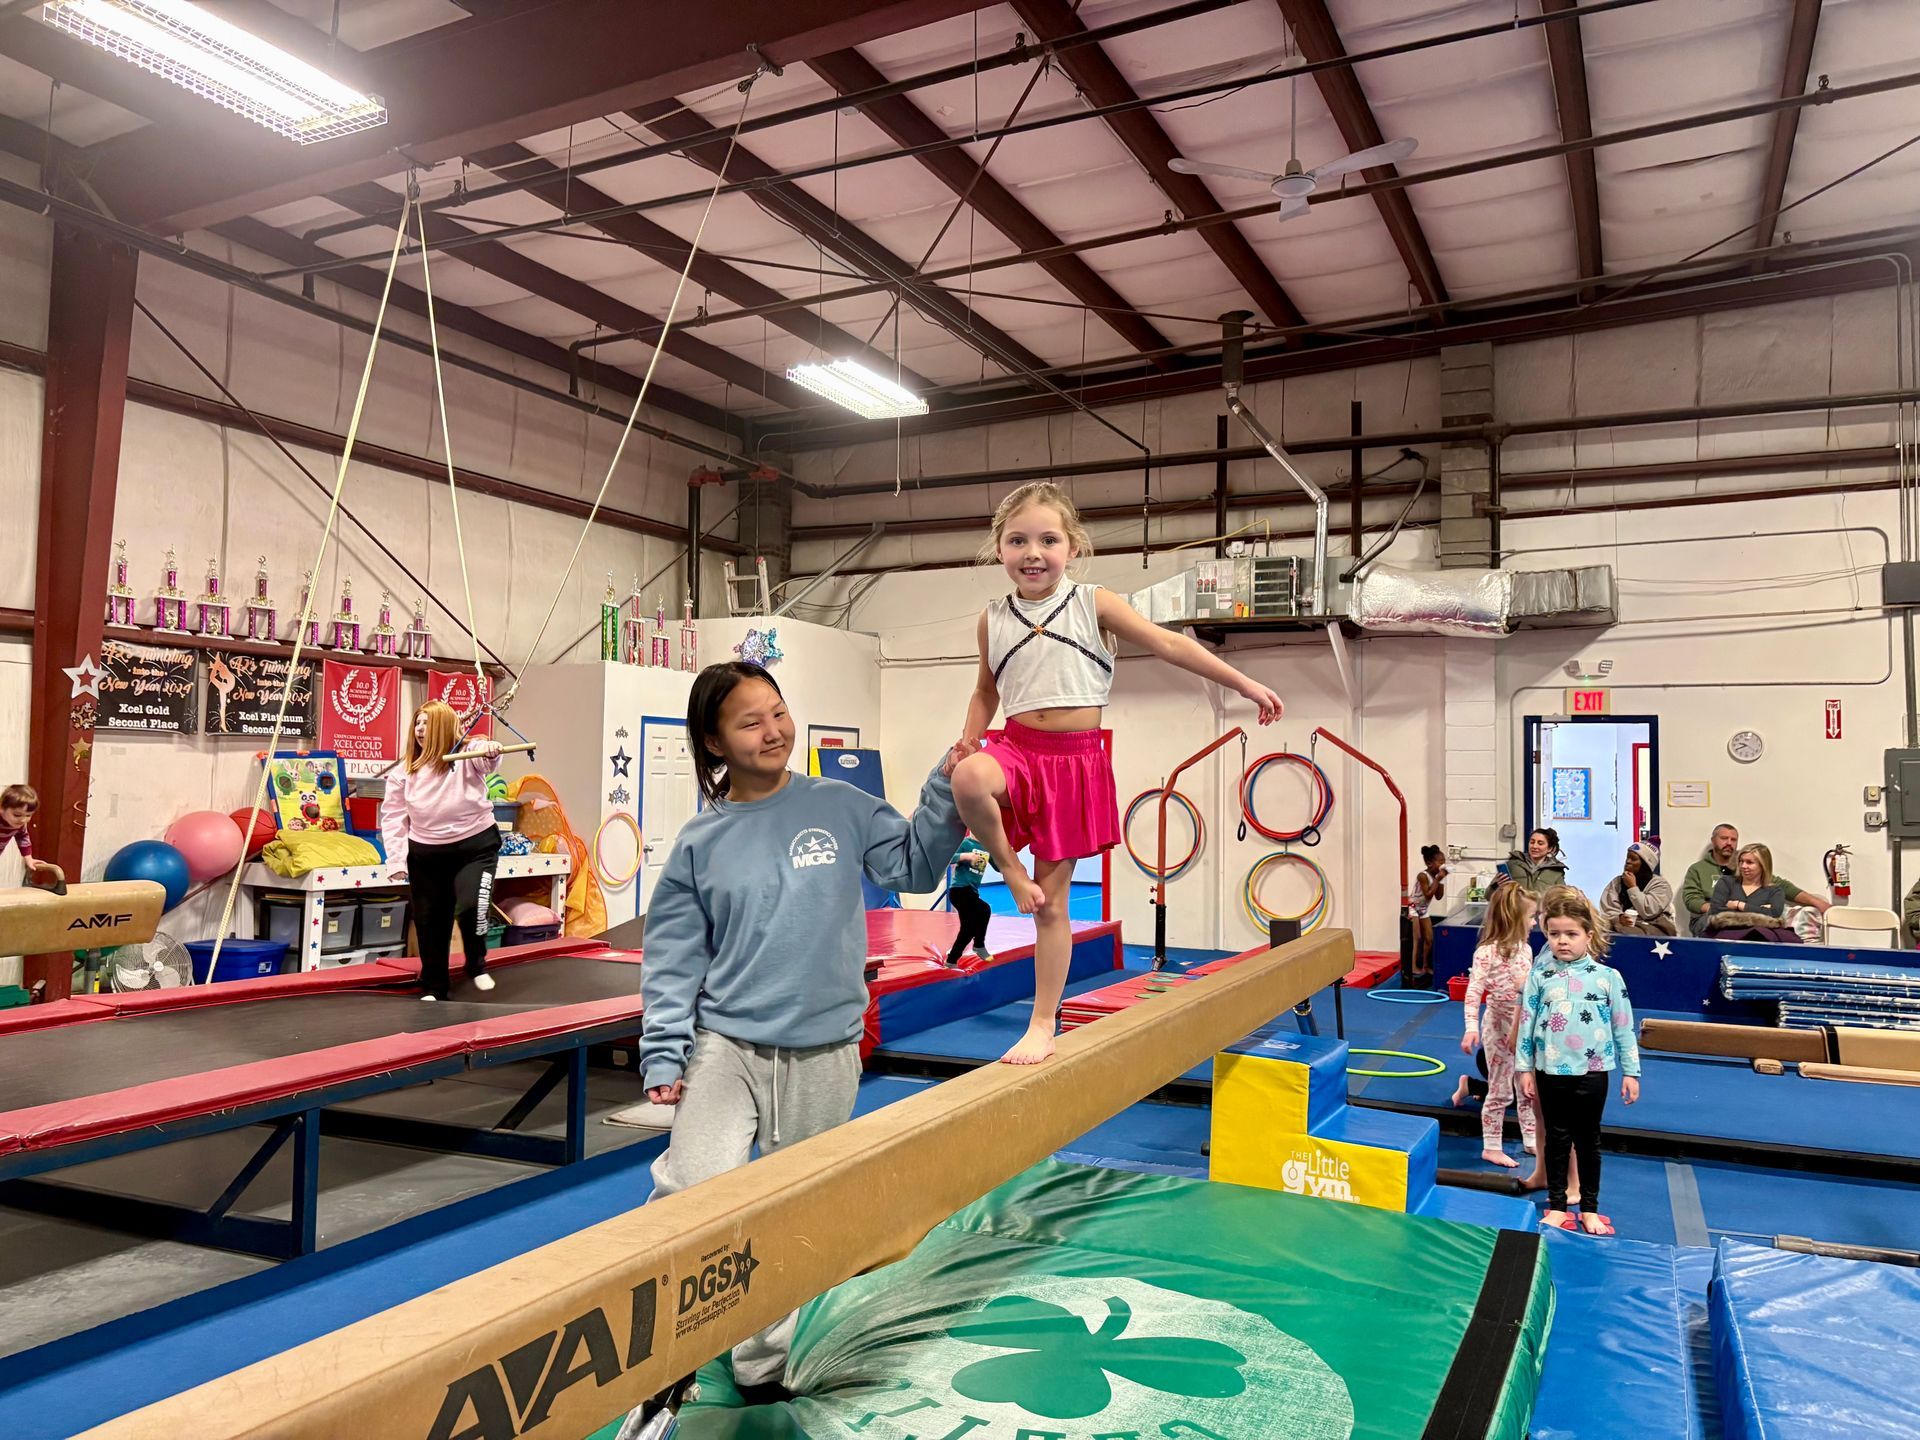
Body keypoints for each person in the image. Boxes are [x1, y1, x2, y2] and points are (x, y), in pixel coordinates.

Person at [639, 661, 962, 1404]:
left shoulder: (839, 804)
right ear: (714, 743)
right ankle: (662, 1354)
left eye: (778, 712)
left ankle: (759, 1364)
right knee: (691, 1193)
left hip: (825, 1049)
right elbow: (673, 956)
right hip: (728, 1044)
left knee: (787, 1215)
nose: (773, 731)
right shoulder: (702, 841)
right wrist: (664, 1046)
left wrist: (945, 786)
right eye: (749, 722)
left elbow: (912, 865)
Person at [946, 481, 1283, 1065]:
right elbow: (985, 689)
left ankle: (1042, 1024)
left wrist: (1244, 683)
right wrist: (970, 737)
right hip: (1018, 749)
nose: (1033, 552)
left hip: (1074, 762)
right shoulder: (991, 619)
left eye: (1048, 540)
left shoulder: (1092, 602)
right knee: (970, 777)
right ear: (998, 548)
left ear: (1071, 547)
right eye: (1018, 540)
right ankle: (1008, 870)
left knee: (1052, 907)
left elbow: (1169, 646)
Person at [1516, 886, 1641, 1236]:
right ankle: (1557, 1206)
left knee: (1588, 1140)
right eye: (1554, 934)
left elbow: (1624, 1028)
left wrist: (1631, 1072)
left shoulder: (1607, 979)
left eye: (1571, 934)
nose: (1562, 942)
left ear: (1589, 934)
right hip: (1550, 1070)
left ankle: (1589, 1208)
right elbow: (1526, 1025)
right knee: (1556, 1139)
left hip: (1592, 1070)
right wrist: (1524, 1068)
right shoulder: (1540, 977)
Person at [381, 701, 505, 1001]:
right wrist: (396, 859)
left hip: (474, 847)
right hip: (426, 855)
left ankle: (476, 964)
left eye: (427, 723)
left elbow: (486, 759)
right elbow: (393, 816)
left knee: (471, 905)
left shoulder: (465, 756)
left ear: (443, 729)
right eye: (417, 723)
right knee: (429, 922)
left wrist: (491, 749)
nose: (420, 729)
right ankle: (436, 986)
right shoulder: (404, 770)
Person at [1455, 883, 1540, 1168]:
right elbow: (1474, 990)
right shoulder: (1486, 953)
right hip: (1497, 1027)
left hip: (1522, 1026)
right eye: (1531, 916)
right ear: (1514, 918)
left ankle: (1530, 1139)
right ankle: (1491, 1146)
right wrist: (1471, 1027)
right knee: (1500, 1089)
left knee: (1527, 1086)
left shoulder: (1527, 950)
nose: (1535, 922)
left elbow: (1527, 991)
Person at [1681, 822, 1826, 936]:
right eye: (1724, 838)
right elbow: (1692, 901)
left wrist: (1816, 902)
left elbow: (1782, 886)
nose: (1729, 843)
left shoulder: (1745, 866)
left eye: (1733, 840)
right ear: (1713, 840)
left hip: (1745, 915)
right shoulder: (1698, 869)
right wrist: (1725, 909)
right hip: (1707, 918)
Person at [1598, 841, 1677, 936]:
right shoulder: (1617, 882)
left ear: (1645, 864)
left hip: (1652, 928)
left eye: (1633, 859)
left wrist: (1632, 887)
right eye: (1627, 857)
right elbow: (1607, 910)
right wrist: (1618, 918)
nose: (1628, 861)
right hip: (1620, 927)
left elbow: (1649, 912)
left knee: (1629, 933)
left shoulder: (1660, 885)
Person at [945, 833, 994, 966]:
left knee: (968, 928)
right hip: (959, 890)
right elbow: (948, 858)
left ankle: (952, 960)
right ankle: (978, 945)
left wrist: (1005, 853)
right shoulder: (966, 844)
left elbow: (999, 867)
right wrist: (965, 856)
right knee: (984, 909)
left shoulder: (988, 846)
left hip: (972, 892)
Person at [0, 784, 56, 883]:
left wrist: (29, 859)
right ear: (2, 808)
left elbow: (23, 838)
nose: (22, 820)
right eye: (17, 815)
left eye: (28, 815)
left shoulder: (19, 825)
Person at [1410, 844, 1446, 979]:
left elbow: (1438, 896)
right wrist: (1437, 879)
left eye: (1444, 861)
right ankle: (1413, 966)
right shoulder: (1423, 876)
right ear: (1429, 863)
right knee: (1417, 938)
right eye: (1440, 861)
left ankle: (1425, 965)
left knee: (1429, 939)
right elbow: (1428, 895)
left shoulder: (1436, 876)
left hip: (1423, 909)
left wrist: (1441, 881)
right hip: (1413, 907)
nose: (1443, 864)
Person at [1504, 828, 1567, 897]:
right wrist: (1496, 886)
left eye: (1540, 843)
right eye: (1532, 842)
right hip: (1516, 907)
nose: (1534, 846)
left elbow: (1562, 899)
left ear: (1550, 848)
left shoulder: (1556, 872)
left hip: (1541, 908)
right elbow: (1490, 895)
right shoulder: (1513, 864)